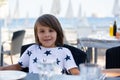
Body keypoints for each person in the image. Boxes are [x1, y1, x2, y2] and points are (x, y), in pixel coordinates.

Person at [0, 14, 80, 75]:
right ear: (37, 34)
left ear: (57, 33)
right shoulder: (32, 50)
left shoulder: (64, 52)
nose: (46, 35)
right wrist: (1, 69)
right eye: (42, 31)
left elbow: (75, 72)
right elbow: (17, 67)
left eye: (51, 30)